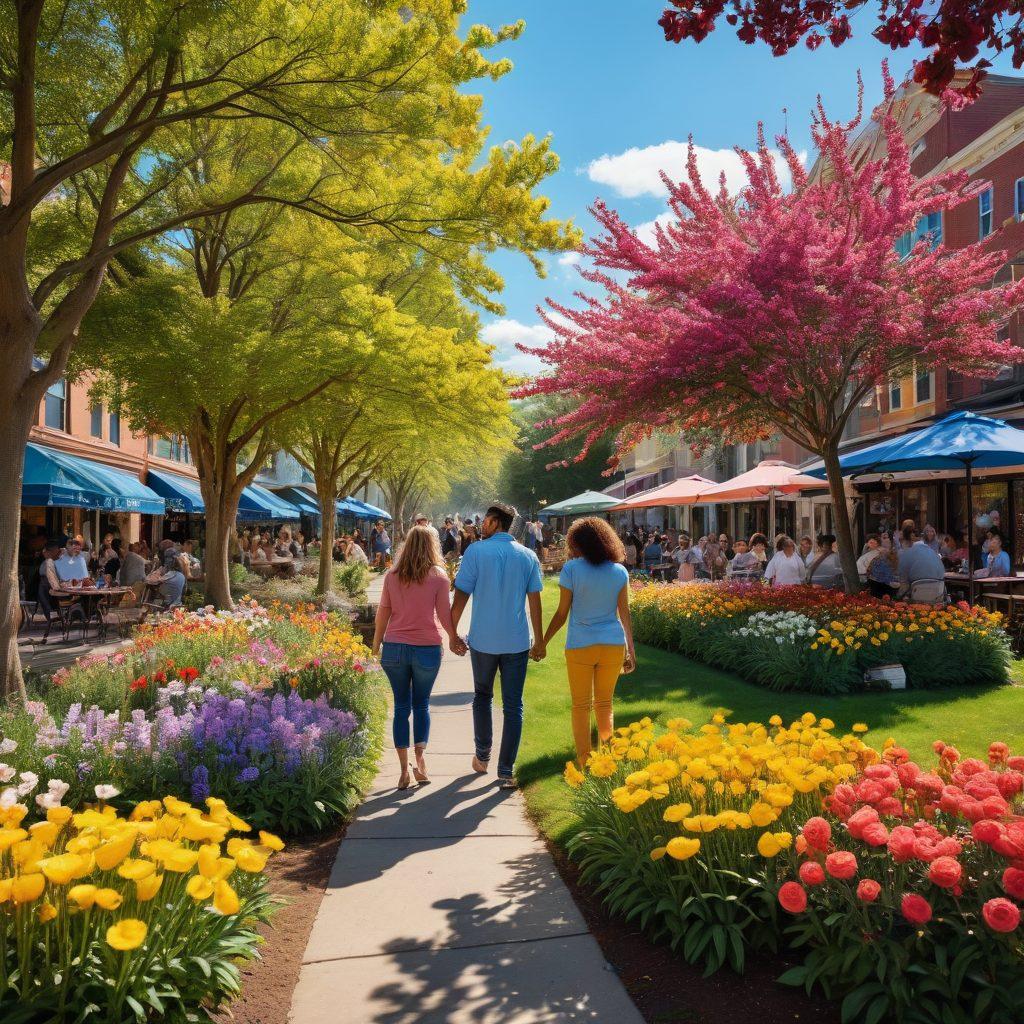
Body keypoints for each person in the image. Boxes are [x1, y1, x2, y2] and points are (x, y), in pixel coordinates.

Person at [451, 501, 544, 789]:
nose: (481, 525)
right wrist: (540, 640)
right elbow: (535, 602)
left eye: (485, 521)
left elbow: (461, 595)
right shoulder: (528, 555)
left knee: (482, 696)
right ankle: (506, 770)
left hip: (484, 640)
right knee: (513, 705)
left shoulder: (476, 552)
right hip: (516, 640)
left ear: (494, 523)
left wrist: (452, 633)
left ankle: (482, 755)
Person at [372, 525, 467, 790]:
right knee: (421, 704)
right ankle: (421, 762)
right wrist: (453, 638)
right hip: (426, 649)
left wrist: (376, 645)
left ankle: (404, 771)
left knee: (401, 707)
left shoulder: (392, 575)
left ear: (406, 545)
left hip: (394, 649)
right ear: (432, 546)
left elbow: (383, 613)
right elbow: (444, 614)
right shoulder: (438, 576)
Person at [541, 518, 635, 767]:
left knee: (581, 706)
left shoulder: (572, 569)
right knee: (605, 704)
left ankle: (584, 763)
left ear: (577, 542)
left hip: (580, 645)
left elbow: (562, 613)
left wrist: (543, 642)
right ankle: (608, 762)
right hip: (613, 645)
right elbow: (624, 614)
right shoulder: (619, 571)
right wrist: (631, 650)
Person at [897, 523, 946, 592]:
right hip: (937, 591)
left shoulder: (904, 553)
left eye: (901, 540)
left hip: (918, 591)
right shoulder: (928, 550)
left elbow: (903, 576)